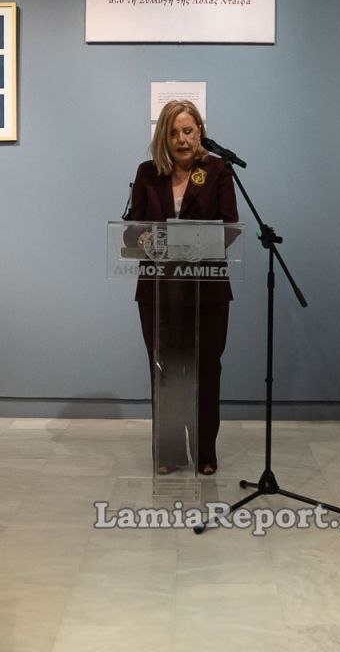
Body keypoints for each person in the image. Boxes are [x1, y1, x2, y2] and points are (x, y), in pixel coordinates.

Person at [128, 100, 238, 476]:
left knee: (206, 371)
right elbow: (133, 228)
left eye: (188, 131)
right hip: (158, 290)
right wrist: (143, 238)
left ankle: (205, 452)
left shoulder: (218, 170)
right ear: (163, 137)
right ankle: (169, 452)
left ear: (200, 132)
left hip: (207, 289)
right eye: (173, 132)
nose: (181, 139)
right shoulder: (147, 173)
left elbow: (229, 227)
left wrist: (191, 244)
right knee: (166, 371)